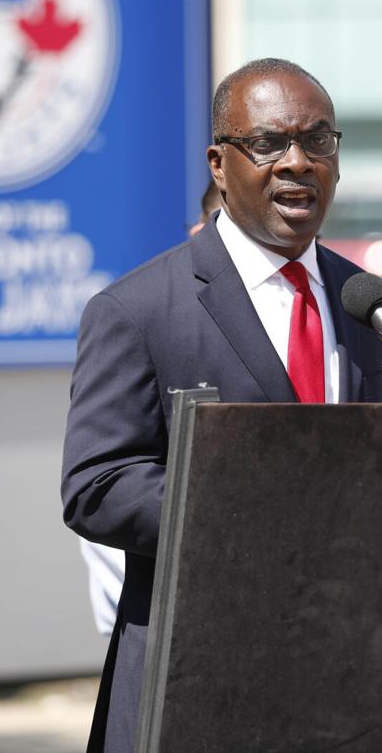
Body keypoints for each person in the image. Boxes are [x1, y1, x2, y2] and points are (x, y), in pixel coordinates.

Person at [61, 58, 382, 751]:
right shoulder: (139, 310)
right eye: (269, 143)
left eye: (319, 141)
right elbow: (97, 486)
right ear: (219, 162)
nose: (298, 162)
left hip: (345, 683)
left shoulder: (364, 302)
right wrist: (255, 497)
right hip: (202, 681)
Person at [76, 180, 223, 638]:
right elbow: (100, 487)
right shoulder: (138, 312)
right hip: (174, 623)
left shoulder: (339, 305)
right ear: (200, 229)